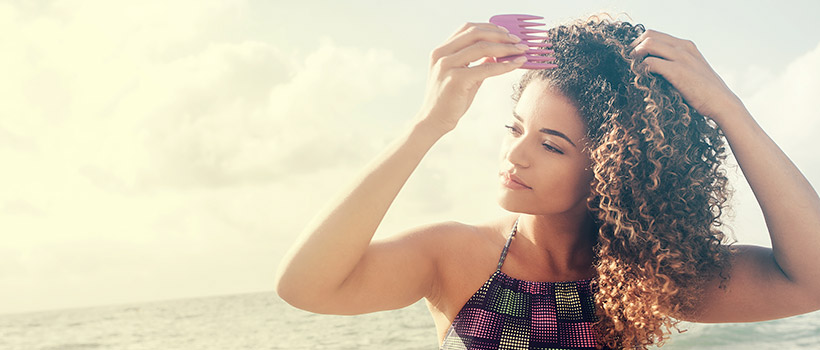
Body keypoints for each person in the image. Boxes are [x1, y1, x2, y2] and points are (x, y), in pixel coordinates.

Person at [274, 14, 820, 349]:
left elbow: (811, 282)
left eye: (552, 144)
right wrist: (428, 125)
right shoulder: (456, 254)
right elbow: (305, 287)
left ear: (611, 170)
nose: (515, 152)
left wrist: (730, 111)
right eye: (515, 128)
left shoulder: (641, 276)